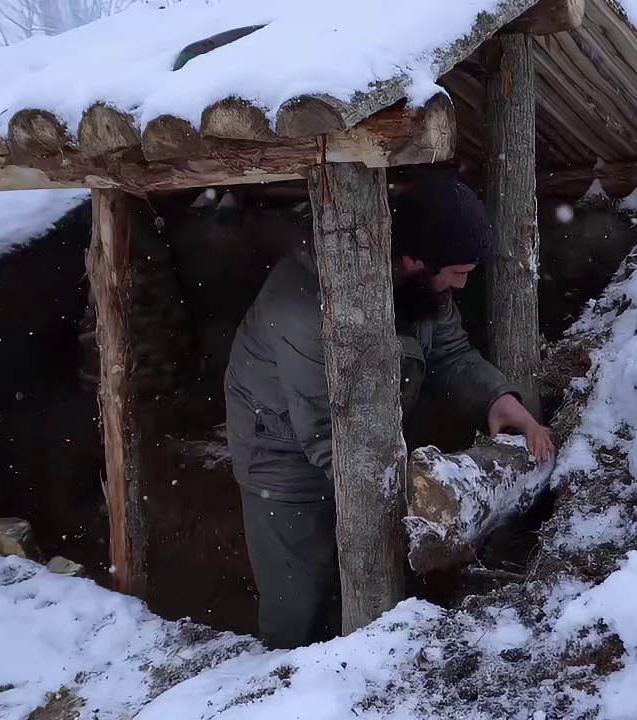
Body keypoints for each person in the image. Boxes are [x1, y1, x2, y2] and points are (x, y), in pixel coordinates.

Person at [223, 176, 553, 650]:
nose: (463, 284)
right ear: (415, 260)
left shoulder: (420, 289)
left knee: (370, 584)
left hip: (364, 443)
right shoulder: (306, 311)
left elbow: (452, 353)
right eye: (457, 272)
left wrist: (500, 399)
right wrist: (419, 510)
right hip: (280, 455)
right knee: (300, 600)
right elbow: (326, 433)